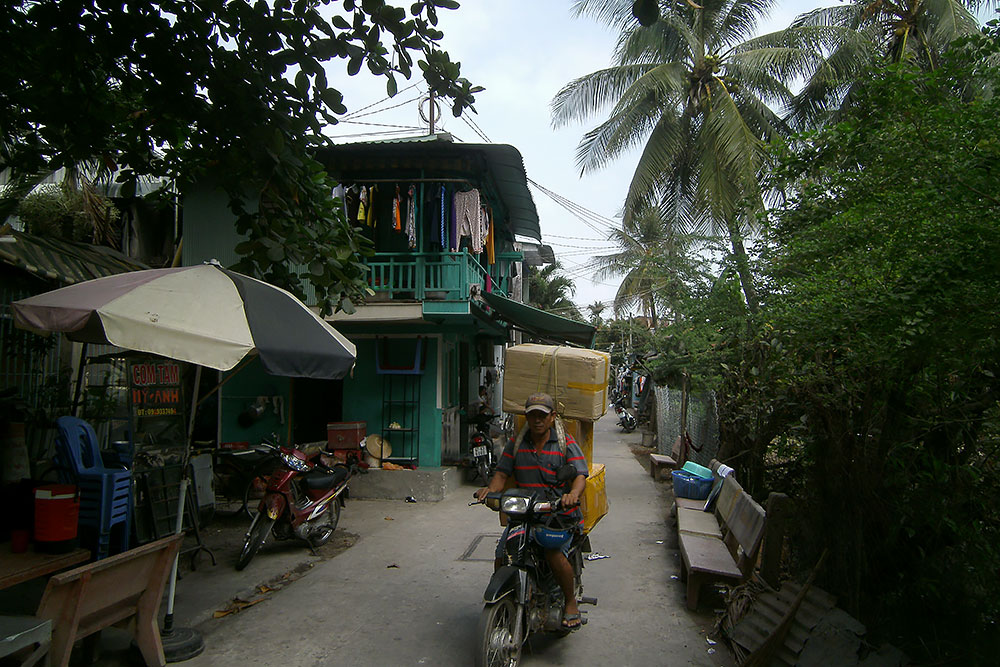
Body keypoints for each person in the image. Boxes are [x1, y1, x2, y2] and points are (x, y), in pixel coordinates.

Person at [475, 392, 589, 630]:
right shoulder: (516, 444)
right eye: (532, 415)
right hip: (524, 514)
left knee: (553, 554)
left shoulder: (564, 443)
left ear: (552, 417)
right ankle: (508, 596)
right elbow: (501, 474)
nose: (537, 420)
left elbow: (580, 475)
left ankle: (570, 602)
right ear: (526, 417)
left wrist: (572, 495)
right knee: (503, 554)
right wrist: (490, 491)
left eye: (542, 415)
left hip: (557, 516)